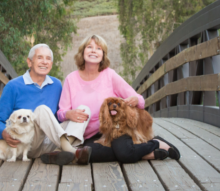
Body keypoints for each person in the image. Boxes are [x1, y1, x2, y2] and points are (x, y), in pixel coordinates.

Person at [52, 35, 180, 163]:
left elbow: (140, 100)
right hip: (87, 136)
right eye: (89, 47)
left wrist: (135, 100)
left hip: (115, 128)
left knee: (124, 153)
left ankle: (156, 143)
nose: (93, 50)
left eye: (98, 48)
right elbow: (61, 113)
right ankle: (146, 153)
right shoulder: (71, 79)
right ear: (82, 52)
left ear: (103, 55)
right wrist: (69, 113)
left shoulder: (109, 75)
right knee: (88, 154)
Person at [0, 43, 92, 165]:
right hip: (29, 144)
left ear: (51, 64)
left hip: (52, 141)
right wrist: (4, 133)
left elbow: (58, 116)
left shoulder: (56, 84)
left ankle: (58, 152)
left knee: (84, 109)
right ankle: (70, 150)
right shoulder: (13, 86)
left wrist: (68, 114)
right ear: (29, 62)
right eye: (40, 58)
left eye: (48, 59)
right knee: (41, 110)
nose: (44, 62)